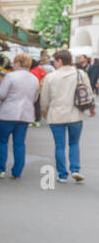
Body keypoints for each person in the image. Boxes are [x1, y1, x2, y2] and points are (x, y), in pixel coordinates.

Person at [39, 48, 95, 182]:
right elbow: (88, 91)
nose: (54, 63)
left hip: (56, 114)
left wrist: (44, 111)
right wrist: (92, 108)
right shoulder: (80, 73)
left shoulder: (51, 76)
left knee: (59, 145)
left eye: (55, 61)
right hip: (75, 114)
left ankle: (62, 174)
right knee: (74, 143)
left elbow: (44, 98)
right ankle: (75, 169)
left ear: (60, 61)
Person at [0, 53, 39, 179]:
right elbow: (35, 98)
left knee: (2, 141)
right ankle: (17, 172)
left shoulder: (11, 76)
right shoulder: (34, 79)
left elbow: (0, 94)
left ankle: (0, 170)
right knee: (19, 143)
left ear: (17, 63)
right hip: (25, 115)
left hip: (8, 113)